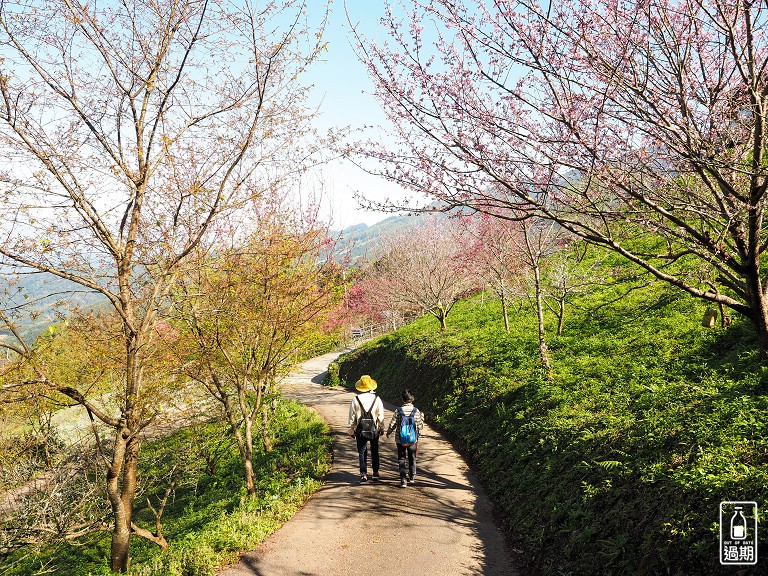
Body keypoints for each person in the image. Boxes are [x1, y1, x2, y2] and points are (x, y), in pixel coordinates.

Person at [347, 374, 385, 483]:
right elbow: (380, 416)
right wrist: (382, 428)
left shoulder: (355, 399)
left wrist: (351, 428)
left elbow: (352, 416)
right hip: (374, 430)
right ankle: (375, 473)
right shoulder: (377, 399)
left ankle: (363, 474)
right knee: (374, 451)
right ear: (371, 386)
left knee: (362, 452)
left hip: (360, 430)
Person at [386, 388, 424, 488]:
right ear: (412, 399)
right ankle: (411, 477)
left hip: (400, 439)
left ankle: (403, 479)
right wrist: (422, 418)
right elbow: (420, 426)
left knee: (401, 459)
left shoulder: (398, 410)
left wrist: (388, 432)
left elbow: (393, 424)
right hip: (412, 440)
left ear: (403, 399)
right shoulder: (416, 411)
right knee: (412, 457)